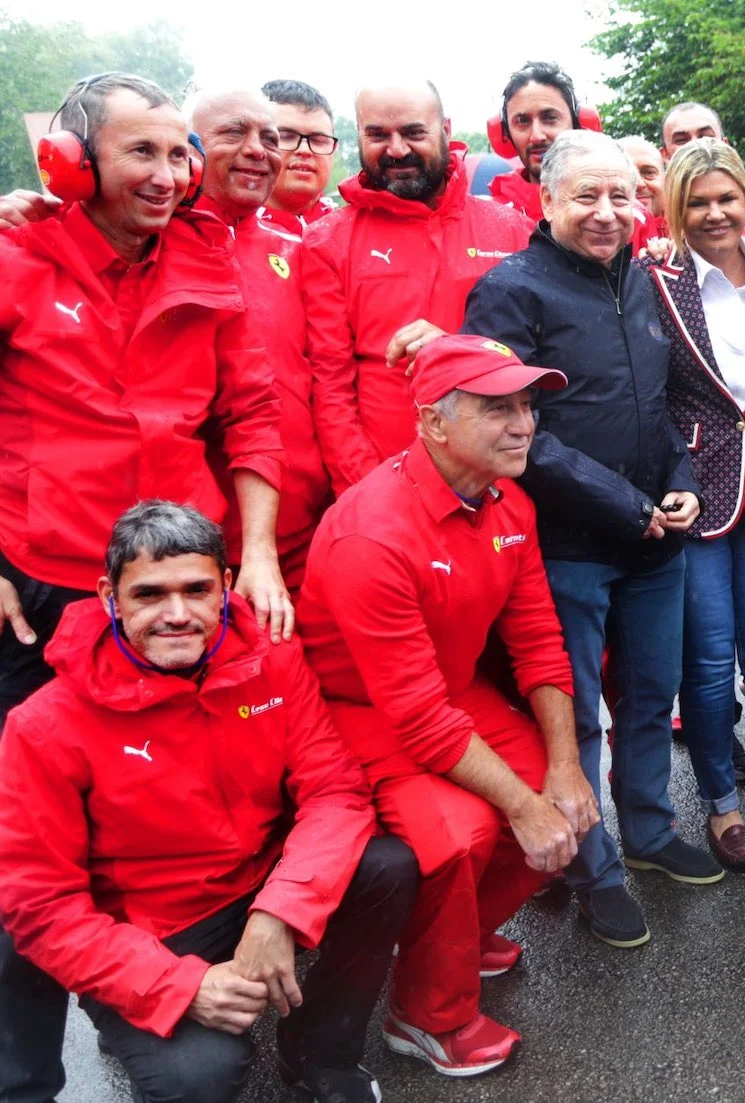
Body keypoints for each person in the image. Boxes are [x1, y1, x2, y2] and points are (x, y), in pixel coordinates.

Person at [0, 502, 416, 1103]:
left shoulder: (273, 660)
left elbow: (334, 790)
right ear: (108, 595)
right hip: (148, 928)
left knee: (388, 868)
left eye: (197, 589)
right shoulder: (42, 725)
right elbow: (40, 908)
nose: (177, 615)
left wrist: (281, 910)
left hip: (258, 886)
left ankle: (320, 1052)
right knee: (198, 1076)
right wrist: (176, 985)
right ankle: (129, 1023)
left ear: (226, 585)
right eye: (148, 594)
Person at [297, 335, 597, 1076]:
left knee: (573, 809)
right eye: (500, 408)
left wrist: (564, 768)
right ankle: (427, 1016)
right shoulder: (373, 532)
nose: (525, 423)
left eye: (527, 405)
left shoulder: (507, 502)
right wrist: (524, 804)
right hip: (359, 711)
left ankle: (449, 934)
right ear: (434, 422)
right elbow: (414, 714)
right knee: (460, 834)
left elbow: (538, 639)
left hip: (449, 696)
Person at [456, 130, 723, 937]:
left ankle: (647, 828)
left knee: (649, 695)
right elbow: (517, 434)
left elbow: (664, 406)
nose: (608, 213)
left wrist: (679, 483)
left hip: (653, 536)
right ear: (546, 200)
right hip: (567, 542)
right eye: (587, 197)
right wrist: (624, 504)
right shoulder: (511, 291)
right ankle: (588, 858)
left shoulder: (641, 279)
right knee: (574, 714)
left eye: (622, 197)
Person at [0, 73, 288, 720]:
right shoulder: (13, 261)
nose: (167, 176)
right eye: (141, 153)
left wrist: (261, 559)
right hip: (46, 581)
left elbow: (253, 415)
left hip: (182, 576)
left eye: (176, 153)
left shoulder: (209, 261)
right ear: (72, 162)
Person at [646, 138, 745, 869]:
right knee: (709, 665)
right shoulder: (655, 276)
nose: (715, 213)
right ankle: (718, 805)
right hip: (694, 490)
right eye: (698, 201)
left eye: (726, 198)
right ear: (677, 208)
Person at [300, 80, 532, 493]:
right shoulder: (327, 241)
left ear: (444, 129)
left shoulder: (512, 230)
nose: (396, 149)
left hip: (500, 481)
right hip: (381, 481)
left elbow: (545, 353)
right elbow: (330, 387)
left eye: (413, 132)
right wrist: (371, 491)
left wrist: (457, 349)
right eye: (377, 135)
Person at [187, 90, 333, 587]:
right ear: (187, 149)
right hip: (182, 549)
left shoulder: (303, 252)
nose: (258, 150)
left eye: (269, 138)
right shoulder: (146, 245)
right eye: (233, 133)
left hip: (304, 530)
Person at [485, 61, 599, 223]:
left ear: (577, 124)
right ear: (506, 133)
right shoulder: (490, 219)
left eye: (550, 118)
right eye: (523, 121)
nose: (537, 136)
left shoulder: (625, 216)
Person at [260, 79, 338, 235]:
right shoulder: (220, 234)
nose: (304, 150)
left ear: (334, 150)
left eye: (318, 140)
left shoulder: (351, 235)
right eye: (287, 136)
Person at [619, 135, 670, 240]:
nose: (639, 184)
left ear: (666, 180)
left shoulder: (690, 232)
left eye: (648, 172)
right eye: (628, 174)